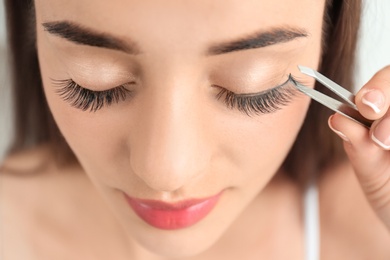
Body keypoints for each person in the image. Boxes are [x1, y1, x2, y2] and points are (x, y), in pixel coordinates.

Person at [1, 0, 390, 259]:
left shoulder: (371, 234)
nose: (166, 171)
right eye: (95, 82)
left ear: (329, 34)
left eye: (251, 88)